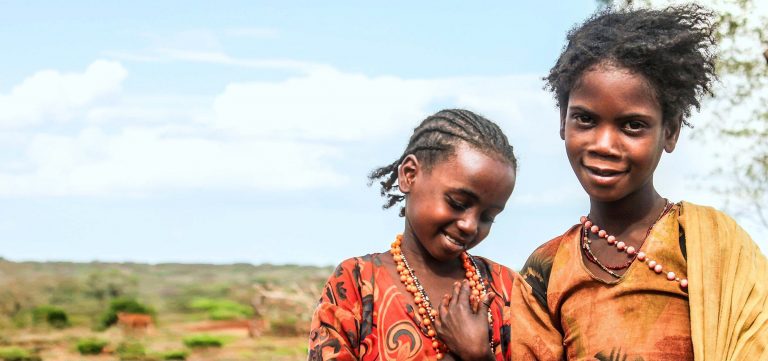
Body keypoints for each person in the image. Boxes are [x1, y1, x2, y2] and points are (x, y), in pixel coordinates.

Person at [511, 4, 768, 360]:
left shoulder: (704, 245)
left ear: (671, 131)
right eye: (585, 119)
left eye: (632, 125)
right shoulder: (547, 269)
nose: (603, 145)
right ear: (562, 120)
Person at [307, 109, 519, 361]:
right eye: (458, 203)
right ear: (409, 175)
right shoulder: (356, 284)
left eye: (488, 217)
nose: (470, 225)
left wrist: (479, 356)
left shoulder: (506, 289)